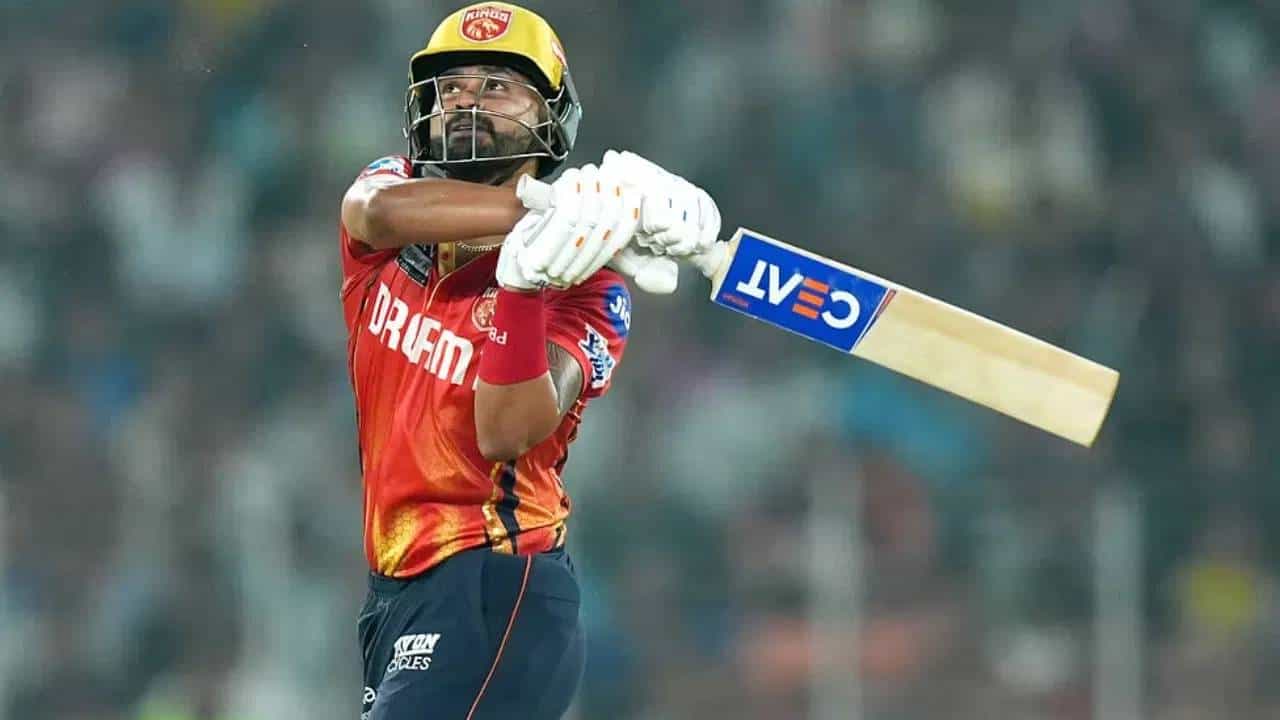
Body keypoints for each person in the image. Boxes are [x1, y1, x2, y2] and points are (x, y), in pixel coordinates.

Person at [337, 3, 719, 718]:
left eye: (497, 86)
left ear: (551, 113)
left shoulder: (591, 288)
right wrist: (547, 211)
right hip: (393, 594)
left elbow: (506, 430)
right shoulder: (390, 198)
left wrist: (521, 286)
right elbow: (373, 212)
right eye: (451, 88)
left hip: (498, 585)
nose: (466, 102)